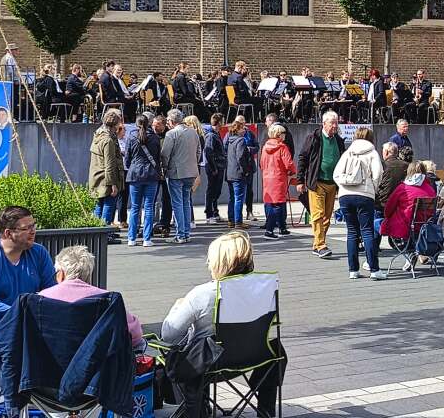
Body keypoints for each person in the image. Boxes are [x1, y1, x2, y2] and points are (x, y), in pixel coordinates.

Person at [161, 232, 285, 418]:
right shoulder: (264, 287)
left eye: (210, 259)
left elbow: (169, 335)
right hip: (256, 357)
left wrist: (177, 306)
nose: (208, 264)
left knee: (183, 355)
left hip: (211, 366)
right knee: (274, 346)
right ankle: (266, 412)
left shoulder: (203, 293)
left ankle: (197, 409)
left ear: (221, 263)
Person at [0, 207, 56, 338]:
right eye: (26, 228)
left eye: (33, 226)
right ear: (8, 233)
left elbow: (51, 290)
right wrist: (14, 312)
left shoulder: (39, 252)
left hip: (31, 314)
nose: (33, 232)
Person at [40, 245, 143, 346]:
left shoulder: (41, 298)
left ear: (60, 274)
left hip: (50, 360)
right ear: (89, 274)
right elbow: (135, 335)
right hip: (96, 361)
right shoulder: (107, 299)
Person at [334, 127, 385, 280]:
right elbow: (378, 174)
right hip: (364, 195)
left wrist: (344, 186)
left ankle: (353, 270)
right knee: (367, 231)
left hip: (345, 195)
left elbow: (336, 174)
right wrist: (372, 189)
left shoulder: (347, 153)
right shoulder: (372, 153)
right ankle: (374, 270)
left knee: (352, 232)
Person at [295, 111, 345, 258]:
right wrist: (300, 180)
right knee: (318, 215)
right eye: (332, 123)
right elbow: (303, 157)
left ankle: (317, 244)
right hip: (317, 182)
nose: (335, 126)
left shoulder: (339, 140)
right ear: (324, 123)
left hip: (332, 183)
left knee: (327, 217)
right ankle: (321, 245)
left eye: (336, 123)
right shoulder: (314, 138)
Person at [161, 109, 201, 243]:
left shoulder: (171, 134)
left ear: (172, 121)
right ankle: (186, 233)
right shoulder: (193, 132)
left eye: (168, 120)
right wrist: (194, 164)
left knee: (178, 203)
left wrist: (165, 168)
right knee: (186, 202)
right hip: (191, 171)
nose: (167, 123)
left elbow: (165, 154)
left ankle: (181, 235)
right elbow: (199, 151)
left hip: (176, 172)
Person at [124, 113, 162, 246]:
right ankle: (147, 238)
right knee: (149, 207)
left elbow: (127, 158)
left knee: (135, 207)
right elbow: (158, 158)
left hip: (135, 174)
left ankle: (131, 238)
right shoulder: (155, 138)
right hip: (151, 175)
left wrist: (132, 166)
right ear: (148, 123)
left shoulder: (131, 137)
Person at [381, 161, 437, 243]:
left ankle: (374, 252)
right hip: (425, 224)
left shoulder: (403, 187)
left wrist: (387, 217)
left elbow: (388, 209)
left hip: (405, 225)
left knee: (376, 223)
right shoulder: (430, 189)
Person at [89, 109, 125, 225]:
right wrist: (113, 184)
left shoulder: (97, 135)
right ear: (114, 125)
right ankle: (105, 232)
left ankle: (96, 230)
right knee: (108, 204)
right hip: (106, 178)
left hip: (96, 175)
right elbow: (110, 164)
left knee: (99, 205)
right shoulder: (108, 140)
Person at [260, 124, 295, 239]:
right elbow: (289, 164)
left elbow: (261, 163)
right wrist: (292, 171)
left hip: (267, 178)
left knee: (271, 203)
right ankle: (270, 230)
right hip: (279, 178)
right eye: (283, 133)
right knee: (279, 204)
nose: (285, 136)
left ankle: (282, 228)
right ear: (279, 135)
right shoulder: (282, 147)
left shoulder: (265, 147)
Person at [223, 118, 252, 229]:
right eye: (242, 128)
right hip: (238, 173)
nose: (244, 130)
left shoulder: (230, 140)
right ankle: (238, 221)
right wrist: (245, 171)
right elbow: (240, 157)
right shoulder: (241, 141)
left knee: (232, 198)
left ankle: (231, 220)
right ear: (239, 129)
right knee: (239, 198)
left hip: (230, 172)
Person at [234, 115, 259, 221]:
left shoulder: (250, 134)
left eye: (244, 122)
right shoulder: (232, 134)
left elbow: (257, 147)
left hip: (249, 165)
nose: (242, 124)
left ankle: (249, 212)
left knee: (249, 190)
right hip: (237, 166)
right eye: (240, 122)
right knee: (236, 194)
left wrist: (248, 150)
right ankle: (235, 217)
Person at [152, 115, 173, 237]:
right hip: (154, 172)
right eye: (154, 124)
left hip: (166, 171)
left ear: (164, 125)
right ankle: (153, 224)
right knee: (152, 199)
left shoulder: (169, 136)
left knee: (167, 199)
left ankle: (165, 224)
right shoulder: (151, 135)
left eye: (157, 125)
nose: (154, 127)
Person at [204, 113, 226, 224]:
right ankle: (209, 214)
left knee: (217, 190)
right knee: (212, 190)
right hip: (214, 166)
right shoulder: (211, 135)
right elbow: (208, 152)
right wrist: (214, 168)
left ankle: (215, 212)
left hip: (218, 165)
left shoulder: (215, 134)